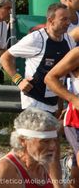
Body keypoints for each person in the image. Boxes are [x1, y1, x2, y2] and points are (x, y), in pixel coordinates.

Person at [0, 3, 74, 114]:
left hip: (53, 101)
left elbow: (61, 75)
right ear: (51, 20)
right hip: (34, 100)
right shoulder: (35, 39)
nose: (68, 23)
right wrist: (18, 80)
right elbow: (5, 57)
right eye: (63, 19)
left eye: (69, 19)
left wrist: (60, 104)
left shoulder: (69, 41)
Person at [0, 108, 58, 188]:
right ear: (22, 140)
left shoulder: (45, 161)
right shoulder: (6, 169)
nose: (53, 146)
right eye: (45, 141)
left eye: (54, 140)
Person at [44, 47, 79, 187]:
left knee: (76, 179)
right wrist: (74, 100)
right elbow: (50, 78)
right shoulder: (77, 53)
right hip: (77, 121)